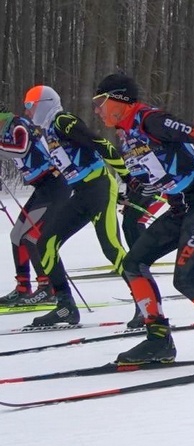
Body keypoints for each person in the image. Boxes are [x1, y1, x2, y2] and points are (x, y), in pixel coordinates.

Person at [92, 72, 194, 371]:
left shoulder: (151, 121)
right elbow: (153, 172)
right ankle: (158, 340)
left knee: (186, 278)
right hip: (179, 207)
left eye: (101, 102)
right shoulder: (127, 134)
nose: (97, 109)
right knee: (133, 264)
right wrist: (136, 188)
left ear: (119, 99)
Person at [22, 85, 133, 326]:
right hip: (81, 192)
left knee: (112, 248)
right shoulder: (46, 131)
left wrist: (128, 178)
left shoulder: (63, 121)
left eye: (30, 107)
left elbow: (101, 144)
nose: (28, 113)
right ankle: (65, 306)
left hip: (99, 186)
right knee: (45, 243)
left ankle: (147, 306)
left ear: (43, 104)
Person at [0, 102, 69, 306]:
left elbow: (21, 149)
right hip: (41, 188)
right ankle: (23, 288)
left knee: (31, 237)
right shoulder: (5, 130)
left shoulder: (18, 124)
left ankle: (48, 287)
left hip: (55, 185)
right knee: (16, 236)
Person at [115, 127, 165, 251]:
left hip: (151, 185)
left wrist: (157, 183)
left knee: (135, 221)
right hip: (136, 188)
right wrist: (123, 194)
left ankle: (141, 257)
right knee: (128, 223)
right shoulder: (124, 146)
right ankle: (136, 256)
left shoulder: (142, 138)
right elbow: (125, 172)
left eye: (120, 129)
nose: (117, 132)